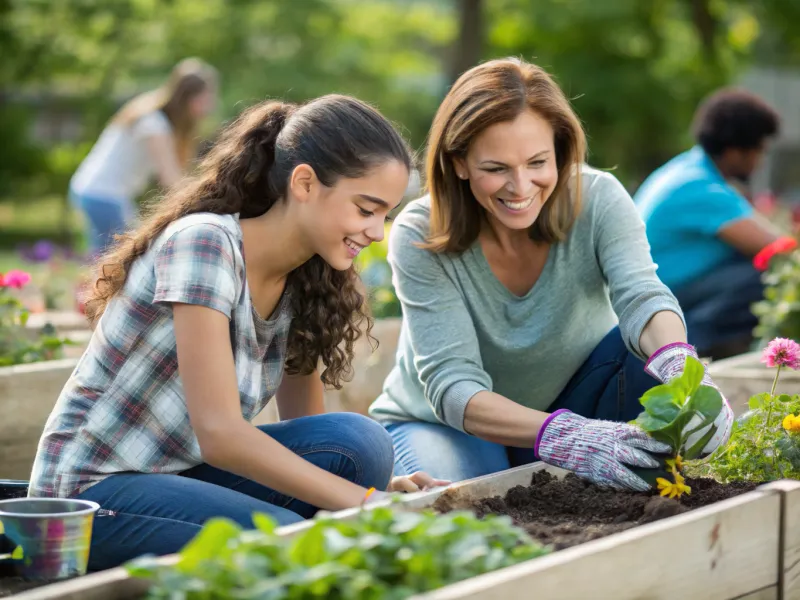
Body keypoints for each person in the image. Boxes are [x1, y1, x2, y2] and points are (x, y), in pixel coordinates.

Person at [29, 94, 447, 571]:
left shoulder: (308, 279)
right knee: (284, 539)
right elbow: (221, 435)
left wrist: (377, 490)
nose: (377, 231)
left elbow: (311, 434)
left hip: (181, 474)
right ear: (306, 183)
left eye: (386, 215)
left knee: (359, 442)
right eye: (366, 209)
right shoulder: (206, 244)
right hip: (90, 495)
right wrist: (364, 503)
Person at [368, 57, 734, 488]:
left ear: (560, 150)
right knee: (462, 507)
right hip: (445, 424)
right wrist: (566, 436)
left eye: (537, 163)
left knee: (642, 361)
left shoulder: (597, 199)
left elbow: (642, 298)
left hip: (571, 400)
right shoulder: (421, 232)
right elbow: (453, 386)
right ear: (460, 162)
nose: (520, 188)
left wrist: (681, 366)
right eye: (496, 169)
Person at [634, 88, 796, 359]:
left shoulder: (689, 169)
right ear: (736, 150)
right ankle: (687, 352)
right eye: (760, 150)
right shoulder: (701, 187)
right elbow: (778, 249)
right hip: (657, 302)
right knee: (767, 275)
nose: (760, 161)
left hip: (660, 292)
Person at [69, 58, 219, 255]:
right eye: (206, 97)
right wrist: (207, 203)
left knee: (103, 258)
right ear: (189, 97)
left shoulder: (154, 117)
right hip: (104, 194)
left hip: (95, 190)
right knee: (129, 256)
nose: (212, 105)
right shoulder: (154, 124)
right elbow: (171, 180)